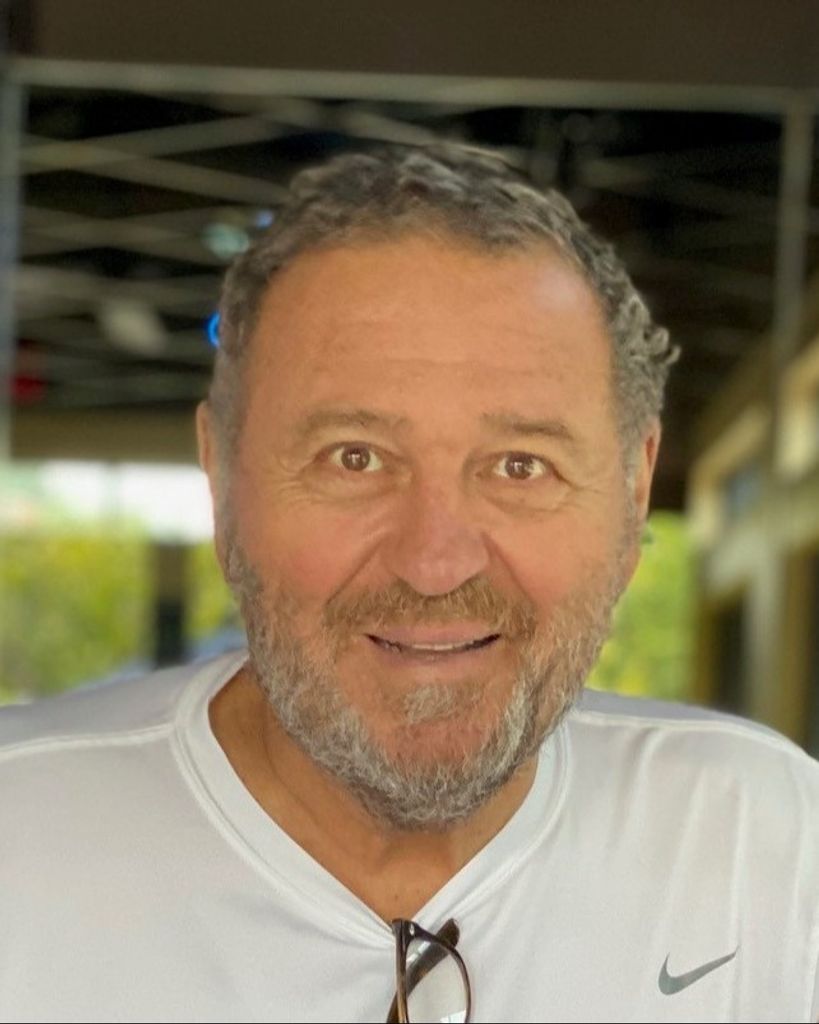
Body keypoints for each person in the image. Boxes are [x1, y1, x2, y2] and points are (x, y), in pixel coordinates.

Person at [1, 144, 817, 1024]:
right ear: (221, 475)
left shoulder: (765, 846)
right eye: (353, 458)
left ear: (632, 491)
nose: (435, 562)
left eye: (520, 465)